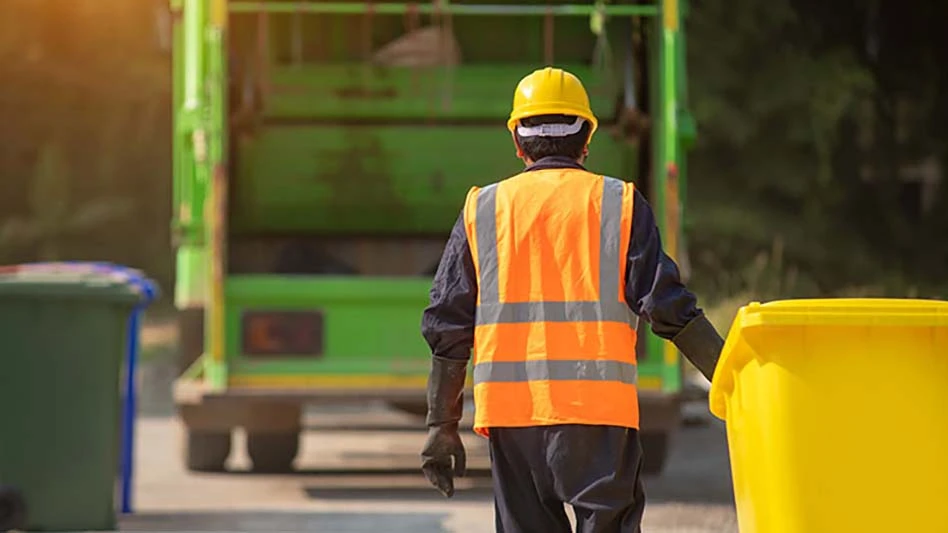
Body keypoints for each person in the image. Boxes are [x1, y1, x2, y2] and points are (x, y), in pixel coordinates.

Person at [419, 66, 725, 533]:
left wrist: (441, 426)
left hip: (513, 420)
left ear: (518, 143)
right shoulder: (618, 203)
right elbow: (666, 305)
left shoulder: (483, 209)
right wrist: (727, 376)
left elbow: (448, 322)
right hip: (598, 417)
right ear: (586, 138)